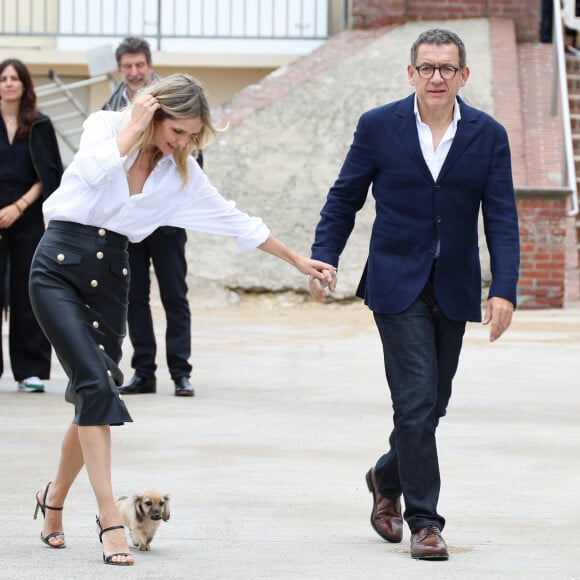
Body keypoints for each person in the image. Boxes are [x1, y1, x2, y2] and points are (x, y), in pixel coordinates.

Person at [29, 72, 336, 566]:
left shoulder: (182, 175)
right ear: (155, 114)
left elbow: (236, 220)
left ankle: (53, 500)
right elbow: (87, 174)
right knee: (94, 385)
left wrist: (298, 260)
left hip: (111, 278)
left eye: (192, 135)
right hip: (57, 267)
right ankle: (110, 518)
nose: (183, 143)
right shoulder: (104, 127)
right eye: (177, 131)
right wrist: (132, 125)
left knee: (93, 391)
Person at [308, 29, 520, 560]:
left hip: (454, 286)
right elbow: (344, 198)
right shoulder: (378, 127)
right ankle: (425, 521)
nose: (436, 77)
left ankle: (384, 475)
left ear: (463, 75)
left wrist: (506, 290)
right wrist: (324, 258)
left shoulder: (488, 135)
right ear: (411, 73)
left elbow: (501, 218)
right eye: (426, 67)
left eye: (447, 68)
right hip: (395, 283)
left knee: (433, 404)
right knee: (417, 399)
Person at [104, 36, 198, 397]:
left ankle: (180, 373)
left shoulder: (175, 101)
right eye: (127, 66)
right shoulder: (111, 109)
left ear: (149, 65)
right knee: (134, 297)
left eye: (139, 65)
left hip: (168, 220)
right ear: (120, 69)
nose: (133, 72)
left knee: (175, 296)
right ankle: (144, 371)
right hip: (130, 224)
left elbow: (192, 153)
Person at [0, 58, 63, 393]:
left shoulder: (40, 124)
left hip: (28, 216)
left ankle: (31, 372)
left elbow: (49, 173)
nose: (9, 83)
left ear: (24, 85)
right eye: (3, 78)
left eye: (15, 78)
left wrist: (19, 206)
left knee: (29, 294)